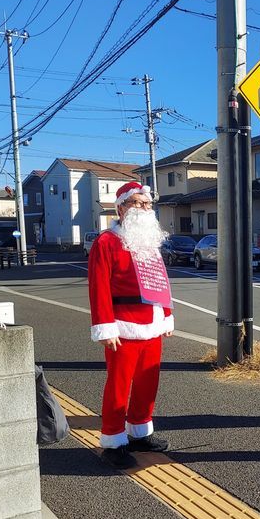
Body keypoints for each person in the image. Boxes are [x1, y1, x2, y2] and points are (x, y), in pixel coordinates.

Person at [88, 181, 175, 469]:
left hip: (152, 324)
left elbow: (160, 282)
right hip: (122, 326)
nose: (145, 208)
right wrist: (105, 326)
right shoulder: (107, 242)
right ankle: (113, 440)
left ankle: (139, 431)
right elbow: (98, 287)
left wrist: (166, 314)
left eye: (148, 204)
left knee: (148, 383)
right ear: (121, 207)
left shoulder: (148, 241)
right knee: (119, 385)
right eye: (138, 203)